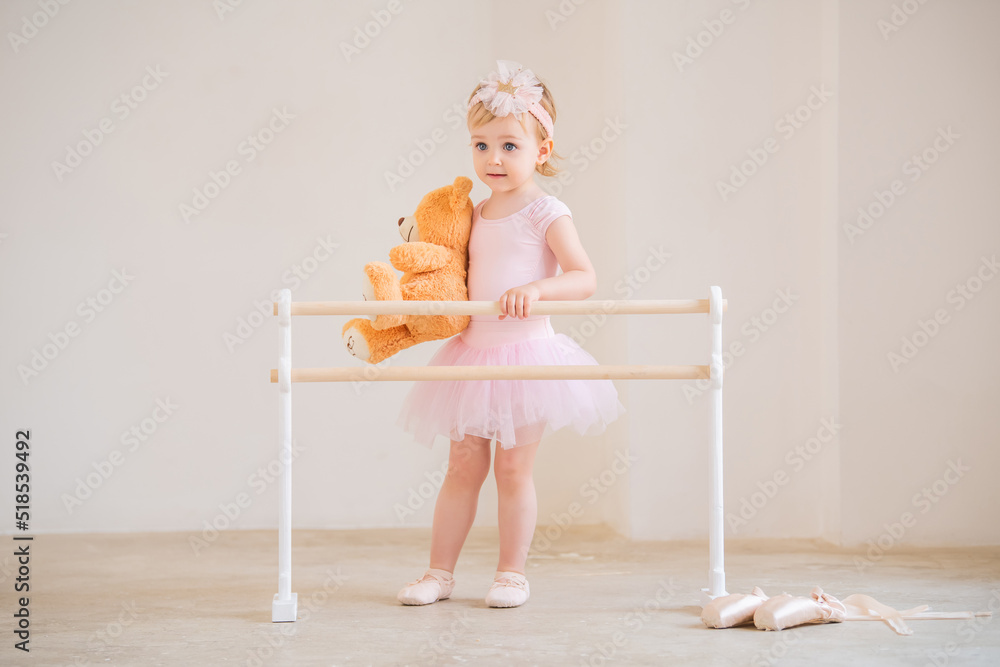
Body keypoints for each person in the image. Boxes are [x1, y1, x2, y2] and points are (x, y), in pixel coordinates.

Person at [395, 60, 626, 609]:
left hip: (525, 357)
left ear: (541, 149)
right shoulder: (473, 212)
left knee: (514, 467)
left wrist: (538, 290)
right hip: (472, 356)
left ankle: (510, 573)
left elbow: (584, 277)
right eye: (480, 145)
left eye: (509, 146)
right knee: (461, 465)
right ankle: (438, 572)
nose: (492, 159)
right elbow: (450, 262)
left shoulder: (545, 210)